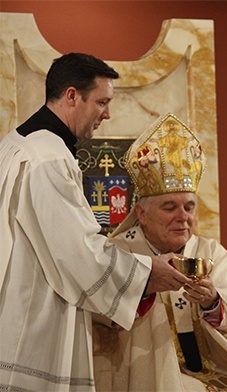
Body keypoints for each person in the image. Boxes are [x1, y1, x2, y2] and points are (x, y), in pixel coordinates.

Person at [0, 53, 191, 391]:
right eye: (102, 102)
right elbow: (78, 255)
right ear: (72, 95)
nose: (108, 114)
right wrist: (148, 273)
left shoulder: (14, 145)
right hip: (34, 325)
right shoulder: (49, 158)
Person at [92, 113, 227, 392]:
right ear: (142, 214)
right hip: (149, 373)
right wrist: (144, 286)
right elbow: (100, 313)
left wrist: (211, 302)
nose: (183, 217)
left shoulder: (210, 252)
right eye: (170, 208)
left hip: (216, 365)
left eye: (189, 207)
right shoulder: (118, 252)